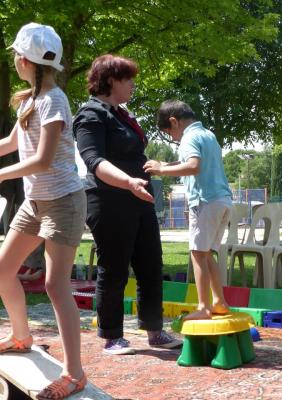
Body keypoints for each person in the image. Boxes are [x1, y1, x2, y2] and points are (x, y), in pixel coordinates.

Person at [73, 54, 182, 355]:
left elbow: (131, 154)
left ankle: (155, 331)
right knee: (115, 267)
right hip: (109, 199)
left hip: (139, 197)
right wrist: (128, 182)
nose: (133, 83)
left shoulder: (121, 113)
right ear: (110, 81)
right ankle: (111, 336)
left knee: (150, 264)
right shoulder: (90, 115)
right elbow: (94, 161)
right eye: (127, 78)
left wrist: (153, 168)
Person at [0, 23, 87, 398]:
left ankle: (74, 373)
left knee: (54, 285)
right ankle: (22, 335)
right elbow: (9, 143)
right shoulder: (28, 101)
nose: (13, 61)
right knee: (2, 271)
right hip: (35, 204)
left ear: (25, 60)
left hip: (64, 203)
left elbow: (42, 159)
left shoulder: (55, 100)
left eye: (15, 56)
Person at [144, 100, 232, 320]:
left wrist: (162, 171)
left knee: (197, 253)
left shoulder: (188, 138)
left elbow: (193, 166)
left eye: (169, 133)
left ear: (174, 121)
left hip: (205, 201)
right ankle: (219, 301)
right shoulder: (207, 135)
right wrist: (166, 164)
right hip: (222, 200)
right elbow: (192, 161)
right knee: (206, 253)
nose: (172, 138)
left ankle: (203, 307)